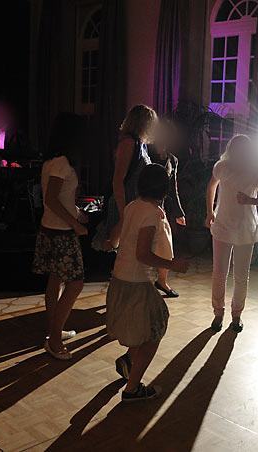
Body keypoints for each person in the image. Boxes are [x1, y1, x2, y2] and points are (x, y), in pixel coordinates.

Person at [107, 164, 189, 402]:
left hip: (121, 279)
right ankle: (132, 388)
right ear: (164, 189)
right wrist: (174, 265)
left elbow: (121, 240)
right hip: (136, 283)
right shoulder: (151, 213)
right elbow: (142, 254)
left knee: (148, 326)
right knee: (154, 330)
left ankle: (129, 360)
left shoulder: (133, 206)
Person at [32, 113, 89, 360]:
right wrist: (75, 224)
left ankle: (54, 330)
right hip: (61, 234)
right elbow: (51, 199)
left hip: (50, 230)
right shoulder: (62, 163)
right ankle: (55, 340)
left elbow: (57, 199)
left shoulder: (52, 162)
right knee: (75, 284)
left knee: (55, 281)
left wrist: (78, 213)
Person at [205, 135, 258, 333]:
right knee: (219, 273)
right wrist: (209, 212)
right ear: (231, 149)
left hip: (246, 228)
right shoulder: (222, 167)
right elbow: (211, 187)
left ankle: (237, 315)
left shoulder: (257, 171)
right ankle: (218, 313)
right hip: (223, 224)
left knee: (241, 275)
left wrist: (249, 200)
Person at [92, 105, 158, 252]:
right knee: (117, 246)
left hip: (135, 200)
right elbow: (118, 180)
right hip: (125, 200)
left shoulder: (141, 144)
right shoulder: (128, 143)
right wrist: (124, 212)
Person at [149, 119, 186, 298]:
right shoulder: (146, 153)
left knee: (165, 245)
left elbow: (173, 188)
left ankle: (162, 281)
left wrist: (179, 212)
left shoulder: (173, 160)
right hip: (144, 205)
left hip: (161, 208)